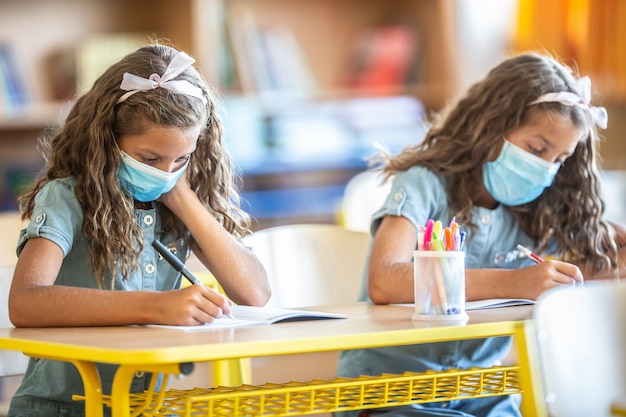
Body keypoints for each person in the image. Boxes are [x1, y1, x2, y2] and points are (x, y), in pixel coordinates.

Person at [336, 51, 626, 417]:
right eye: (536, 149)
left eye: (558, 160)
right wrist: (513, 283)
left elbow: (589, 267)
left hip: (480, 394)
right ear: (491, 126)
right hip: (388, 393)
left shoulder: (541, 210)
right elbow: (384, 281)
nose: (544, 170)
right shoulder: (425, 184)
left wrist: (601, 265)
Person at [7, 43, 271, 416]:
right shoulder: (67, 197)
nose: (164, 171)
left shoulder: (175, 200)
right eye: (149, 159)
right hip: (60, 408)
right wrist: (157, 306)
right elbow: (25, 302)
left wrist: (181, 197)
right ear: (107, 138)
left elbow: (255, 294)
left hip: (141, 409)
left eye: (181, 158)